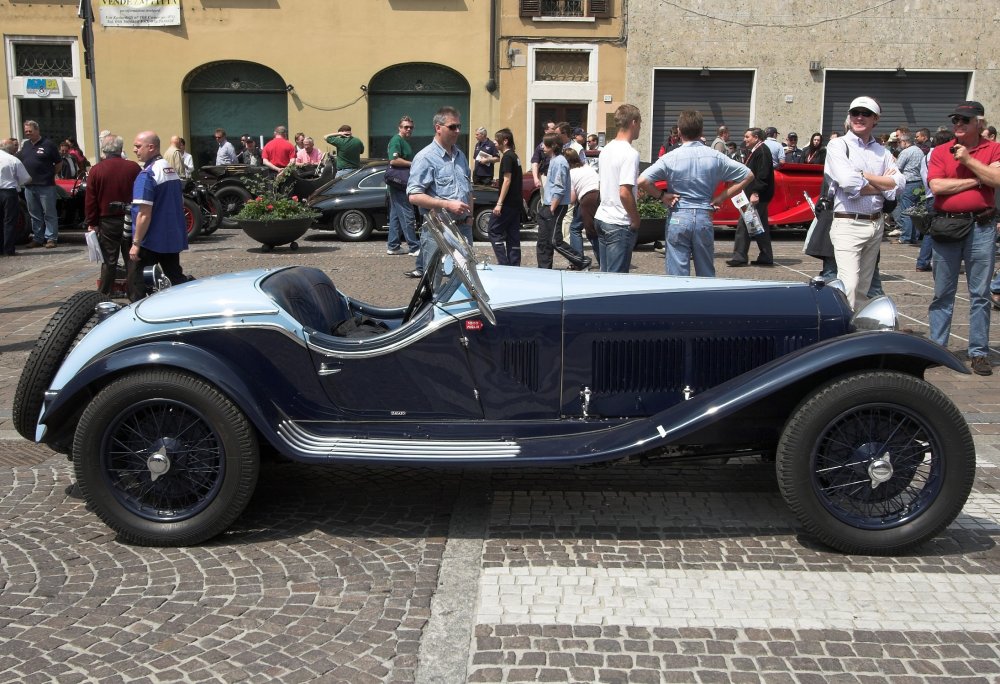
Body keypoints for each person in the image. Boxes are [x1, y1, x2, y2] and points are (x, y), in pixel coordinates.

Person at [927, 100, 1000, 376]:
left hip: (981, 227)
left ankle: (979, 352)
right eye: (955, 120)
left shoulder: (993, 148)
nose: (958, 124)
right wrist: (977, 179)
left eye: (964, 120)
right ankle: (938, 347)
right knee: (942, 292)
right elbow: (937, 186)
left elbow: (997, 179)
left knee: (980, 294)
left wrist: (968, 161)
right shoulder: (940, 151)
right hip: (947, 226)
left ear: (978, 123)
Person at [639, 111, 752, 277]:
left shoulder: (670, 157)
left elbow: (642, 180)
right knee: (706, 270)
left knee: (677, 273)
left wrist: (661, 196)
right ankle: (705, 300)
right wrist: (720, 197)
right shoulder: (715, 156)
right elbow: (748, 175)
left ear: (679, 131)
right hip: (703, 214)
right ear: (701, 131)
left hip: (679, 213)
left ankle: (680, 301)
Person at [823, 96, 904, 310]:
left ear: (875, 119)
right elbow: (849, 182)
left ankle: (855, 331)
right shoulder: (837, 145)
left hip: (875, 224)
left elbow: (900, 184)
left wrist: (864, 176)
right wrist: (883, 184)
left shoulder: (882, 151)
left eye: (865, 114)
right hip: (848, 223)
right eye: (855, 113)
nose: (859, 117)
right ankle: (841, 333)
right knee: (848, 285)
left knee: (863, 287)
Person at [405, 106, 473, 279]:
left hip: (463, 228)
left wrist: (470, 218)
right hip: (438, 228)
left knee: (466, 279)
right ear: (438, 128)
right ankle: (434, 307)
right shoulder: (425, 157)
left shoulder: (460, 156)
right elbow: (414, 195)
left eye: (459, 126)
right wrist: (447, 204)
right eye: (452, 127)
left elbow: (468, 188)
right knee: (433, 280)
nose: (457, 131)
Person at [129, 131, 189, 301]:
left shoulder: (148, 174)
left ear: (151, 147)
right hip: (171, 236)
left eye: (138, 146)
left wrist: (136, 243)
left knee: (139, 284)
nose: (134, 150)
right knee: (175, 277)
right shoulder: (169, 170)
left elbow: (144, 214)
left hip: (151, 240)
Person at [85, 135, 141, 295]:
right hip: (131, 217)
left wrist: (92, 221)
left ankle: (104, 294)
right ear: (121, 149)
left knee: (109, 260)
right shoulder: (133, 167)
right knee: (131, 258)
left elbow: (91, 199)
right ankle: (135, 294)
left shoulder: (96, 170)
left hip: (107, 219)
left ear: (103, 149)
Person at [594, 104, 642, 273]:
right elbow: (624, 192)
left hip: (603, 216)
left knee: (605, 278)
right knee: (616, 283)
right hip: (618, 222)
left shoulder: (606, 150)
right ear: (634, 122)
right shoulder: (630, 153)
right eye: (640, 124)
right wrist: (636, 219)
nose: (640, 129)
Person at [723, 127, 776, 268]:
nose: (744, 140)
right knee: (760, 226)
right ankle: (766, 256)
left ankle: (739, 257)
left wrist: (756, 192)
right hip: (755, 195)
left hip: (758, 196)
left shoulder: (762, 152)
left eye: (747, 137)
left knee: (744, 224)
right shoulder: (756, 151)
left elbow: (763, 175)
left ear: (756, 138)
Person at [535, 133, 586, 270]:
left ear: (553, 146)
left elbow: (559, 186)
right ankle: (544, 268)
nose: (542, 147)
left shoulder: (559, 161)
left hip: (556, 205)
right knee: (543, 240)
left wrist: (552, 207)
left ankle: (580, 260)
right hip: (549, 204)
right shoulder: (554, 160)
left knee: (554, 240)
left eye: (545, 144)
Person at [17, 120, 62, 249]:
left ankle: (51, 238)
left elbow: (58, 164)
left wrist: (49, 174)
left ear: (37, 130)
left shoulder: (48, 145)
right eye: (26, 131)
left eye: (30, 131)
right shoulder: (25, 145)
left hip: (46, 185)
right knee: (34, 213)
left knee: (49, 213)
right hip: (29, 186)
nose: (28, 134)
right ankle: (38, 238)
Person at [487, 127, 522, 266]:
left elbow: (507, 180)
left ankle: (503, 263)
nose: (495, 143)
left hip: (507, 203)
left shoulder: (507, 157)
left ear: (505, 141)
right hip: (516, 203)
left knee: (493, 230)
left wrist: (499, 203)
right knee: (513, 235)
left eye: (497, 140)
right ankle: (514, 265)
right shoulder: (515, 156)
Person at [386, 116, 420, 257]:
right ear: (399, 128)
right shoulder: (397, 140)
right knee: (407, 215)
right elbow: (393, 160)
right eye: (405, 127)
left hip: (398, 185)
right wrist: (413, 163)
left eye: (411, 127)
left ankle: (393, 246)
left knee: (395, 216)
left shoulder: (403, 141)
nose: (408, 129)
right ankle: (414, 247)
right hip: (399, 185)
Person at [565, 148, 600, 267]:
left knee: (590, 232)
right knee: (577, 226)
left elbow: (572, 199)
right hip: (599, 195)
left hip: (588, 198)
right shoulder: (587, 167)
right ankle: (579, 260)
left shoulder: (571, 173)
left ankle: (580, 260)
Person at [0, 138, 31, 256]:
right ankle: (8, 249)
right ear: (10, 148)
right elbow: (26, 179)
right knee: (9, 221)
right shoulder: (13, 159)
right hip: (8, 192)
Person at [894, 132, 925, 245]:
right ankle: (914, 237)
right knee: (915, 212)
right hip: (919, 183)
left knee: (906, 211)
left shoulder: (906, 152)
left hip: (908, 182)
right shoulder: (919, 151)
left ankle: (905, 237)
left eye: (900, 142)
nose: (899, 144)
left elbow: (897, 168)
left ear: (905, 142)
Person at [530, 121, 557, 189]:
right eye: (553, 128)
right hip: (546, 177)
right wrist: (536, 178)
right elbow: (535, 163)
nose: (555, 130)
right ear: (546, 131)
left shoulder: (560, 144)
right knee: (546, 199)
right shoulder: (540, 147)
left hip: (558, 177)